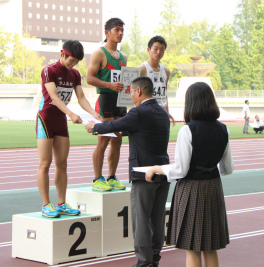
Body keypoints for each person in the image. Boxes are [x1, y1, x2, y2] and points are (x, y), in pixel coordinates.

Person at [145, 82, 234, 267]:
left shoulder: (188, 130)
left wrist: (156, 168)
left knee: (192, 247)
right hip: (214, 188)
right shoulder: (223, 129)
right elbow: (227, 168)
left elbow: (180, 170)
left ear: (190, 103)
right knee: (210, 247)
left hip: (192, 189)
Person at [85, 77, 170, 267]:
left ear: (138, 91)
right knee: (157, 219)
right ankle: (154, 259)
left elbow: (115, 126)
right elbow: (126, 130)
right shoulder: (162, 113)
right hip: (163, 172)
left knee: (141, 220)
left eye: (131, 92)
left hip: (143, 174)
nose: (130, 96)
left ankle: (143, 261)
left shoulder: (138, 113)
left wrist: (95, 128)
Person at [36, 40, 103, 218]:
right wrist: (71, 114)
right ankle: (45, 204)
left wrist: (94, 114)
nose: (73, 64)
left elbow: (81, 97)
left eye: (77, 62)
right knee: (45, 163)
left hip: (60, 121)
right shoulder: (49, 70)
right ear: (63, 53)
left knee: (62, 164)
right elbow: (55, 98)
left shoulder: (74, 74)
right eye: (72, 60)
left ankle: (61, 203)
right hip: (46, 119)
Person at [87, 17, 127, 191]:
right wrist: (109, 85)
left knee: (117, 140)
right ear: (107, 32)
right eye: (116, 30)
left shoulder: (123, 57)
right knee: (104, 140)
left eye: (122, 30)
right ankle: (97, 179)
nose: (120, 33)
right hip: (105, 99)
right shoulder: (99, 53)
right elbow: (89, 78)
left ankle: (111, 177)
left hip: (120, 100)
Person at [138, 36, 175, 124]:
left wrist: (167, 113)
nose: (159, 52)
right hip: (146, 112)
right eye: (156, 49)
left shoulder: (166, 71)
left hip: (161, 111)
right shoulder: (141, 69)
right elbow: (136, 94)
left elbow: (164, 93)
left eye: (162, 49)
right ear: (148, 50)